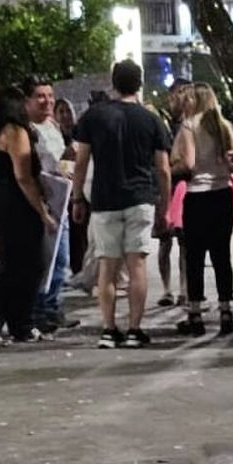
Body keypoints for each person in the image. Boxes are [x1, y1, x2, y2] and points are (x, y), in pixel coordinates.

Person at [70, 60, 172, 349]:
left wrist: (77, 197)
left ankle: (109, 329)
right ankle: (134, 329)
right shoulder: (151, 120)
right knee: (137, 264)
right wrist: (164, 206)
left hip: (104, 199)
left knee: (108, 267)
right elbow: (163, 169)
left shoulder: (93, 117)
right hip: (140, 198)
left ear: (113, 83)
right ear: (139, 84)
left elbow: (81, 161)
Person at [0, 88, 56, 346]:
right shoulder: (16, 132)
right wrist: (43, 212)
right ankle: (0, 323)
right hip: (18, 205)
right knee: (29, 264)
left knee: (14, 264)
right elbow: (23, 177)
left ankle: (15, 325)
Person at [172, 82, 233, 337]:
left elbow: (189, 163)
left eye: (188, 98)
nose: (185, 102)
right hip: (222, 194)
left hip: (197, 196)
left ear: (196, 101)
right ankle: (226, 311)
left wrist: (169, 167)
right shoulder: (224, 126)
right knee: (221, 255)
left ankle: (195, 314)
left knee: (194, 257)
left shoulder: (189, 126)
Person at [24, 78, 77, 334]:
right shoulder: (27, 131)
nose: (46, 101)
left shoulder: (52, 126)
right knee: (45, 259)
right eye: (40, 96)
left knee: (61, 258)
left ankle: (53, 306)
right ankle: (39, 310)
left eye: (49, 96)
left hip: (61, 198)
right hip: (43, 200)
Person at [156, 78, 193, 306]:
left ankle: (184, 289)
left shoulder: (192, 123)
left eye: (184, 93)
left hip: (184, 186)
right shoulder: (162, 121)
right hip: (164, 188)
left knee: (185, 242)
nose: (180, 98)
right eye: (177, 93)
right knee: (164, 241)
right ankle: (166, 289)